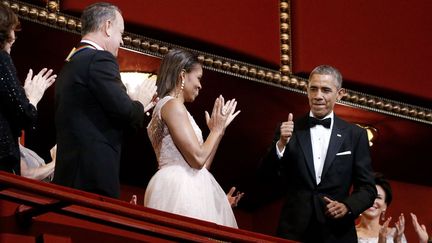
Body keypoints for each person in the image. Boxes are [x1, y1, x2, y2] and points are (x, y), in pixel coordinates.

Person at [260, 65, 377, 242]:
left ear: (340, 94)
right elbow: (264, 177)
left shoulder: (355, 135)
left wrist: (347, 206)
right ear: (306, 91)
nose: (318, 96)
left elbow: (368, 188)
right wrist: (281, 144)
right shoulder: (289, 130)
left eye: (326, 90)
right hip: (294, 232)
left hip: (337, 234)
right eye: (313, 89)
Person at [54, 2, 157, 198]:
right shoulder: (99, 59)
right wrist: (140, 102)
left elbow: (104, 117)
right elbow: (126, 113)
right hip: (91, 180)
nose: (122, 41)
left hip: (70, 177)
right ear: (108, 27)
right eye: (121, 33)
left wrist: (134, 106)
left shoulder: (71, 64)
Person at [144, 49, 241, 228]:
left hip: (189, 187)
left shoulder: (174, 107)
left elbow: (203, 165)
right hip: (179, 190)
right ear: (182, 75)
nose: (200, 85)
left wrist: (218, 132)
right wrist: (215, 130)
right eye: (198, 78)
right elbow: (197, 159)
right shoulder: (172, 105)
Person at [0, 4, 56, 175]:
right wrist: (32, 97)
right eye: (12, 30)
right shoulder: (2, 58)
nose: (14, 37)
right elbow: (24, 115)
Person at [356, 174, 407, 243]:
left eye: (378, 197)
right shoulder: (349, 234)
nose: (373, 201)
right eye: (369, 196)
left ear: (385, 206)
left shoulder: (395, 234)